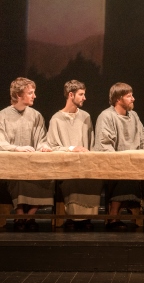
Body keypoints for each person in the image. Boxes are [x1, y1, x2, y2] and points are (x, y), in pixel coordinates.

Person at [93, 82, 144, 231]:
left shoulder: (134, 116)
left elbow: (143, 138)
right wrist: (121, 161)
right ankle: (114, 214)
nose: (133, 99)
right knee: (124, 173)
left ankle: (122, 210)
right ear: (118, 99)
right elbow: (104, 143)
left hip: (135, 162)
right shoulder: (106, 116)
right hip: (113, 163)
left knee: (134, 171)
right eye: (129, 96)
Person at [47, 80, 102, 231]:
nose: (84, 98)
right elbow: (51, 146)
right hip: (65, 164)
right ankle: (71, 216)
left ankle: (87, 217)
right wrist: (71, 149)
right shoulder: (56, 119)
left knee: (93, 180)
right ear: (71, 95)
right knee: (71, 180)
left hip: (85, 164)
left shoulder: (86, 116)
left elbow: (91, 144)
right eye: (81, 94)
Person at [0, 77, 53, 231]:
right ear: (18, 96)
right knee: (19, 178)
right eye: (30, 93)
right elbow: (1, 141)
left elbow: (41, 139)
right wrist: (16, 149)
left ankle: (29, 215)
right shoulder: (2, 116)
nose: (34, 96)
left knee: (47, 178)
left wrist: (43, 147)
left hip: (33, 162)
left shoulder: (36, 115)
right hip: (13, 163)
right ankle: (19, 213)